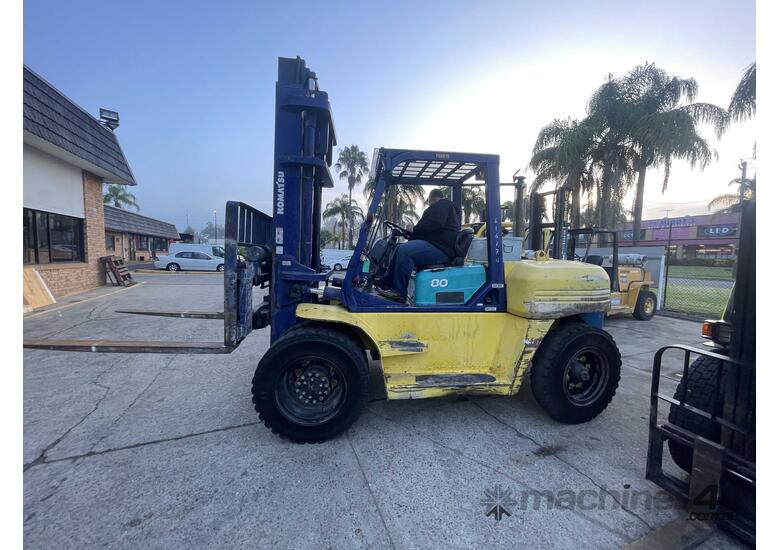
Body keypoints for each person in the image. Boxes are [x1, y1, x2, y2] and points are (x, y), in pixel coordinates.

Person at [379, 188, 459, 302]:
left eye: (429, 201)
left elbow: (435, 223)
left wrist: (414, 229)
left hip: (442, 249)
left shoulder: (443, 204)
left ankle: (399, 292)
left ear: (431, 198)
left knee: (405, 251)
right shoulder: (440, 209)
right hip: (435, 245)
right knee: (399, 248)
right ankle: (385, 282)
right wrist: (411, 234)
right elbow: (427, 230)